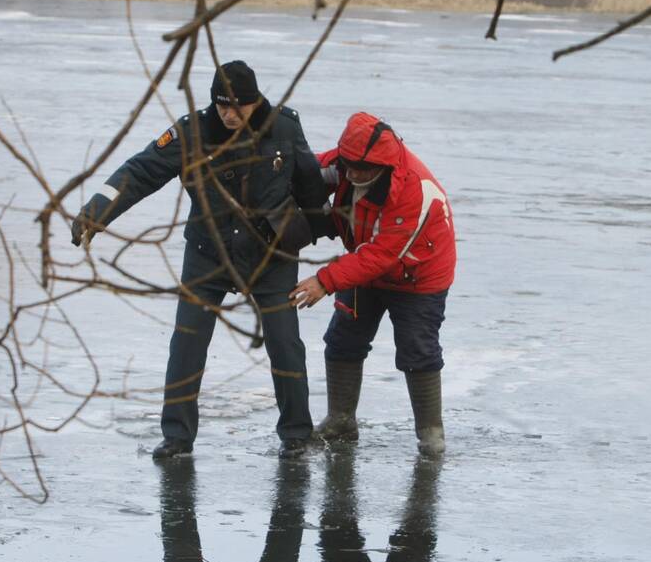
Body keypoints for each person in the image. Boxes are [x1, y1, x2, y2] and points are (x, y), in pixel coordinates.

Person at [72, 60, 329, 459]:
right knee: (187, 343)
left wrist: (321, 230)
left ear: (256, 101)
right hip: (209, 252)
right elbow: (141, 171)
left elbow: (310, 183)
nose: (229, 114)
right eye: (222, 105)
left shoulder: (283, 126)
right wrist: (96, 212)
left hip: (270, 255)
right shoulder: (191, 131)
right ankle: (177, 437)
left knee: (285, 344)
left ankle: (296, 435)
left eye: (238, 106)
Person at [290, 112, 456, 457]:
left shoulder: (413, 189)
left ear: (381, 165)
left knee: (417, 351)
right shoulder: (349, 161)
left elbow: (382, 255)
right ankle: (341, 421)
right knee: (342, 340)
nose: (351, 174)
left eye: (360, 169)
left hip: (419, 276)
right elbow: (305, 172)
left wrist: (325, 281)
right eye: (347, 165)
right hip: (364, 262)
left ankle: (431, 435)